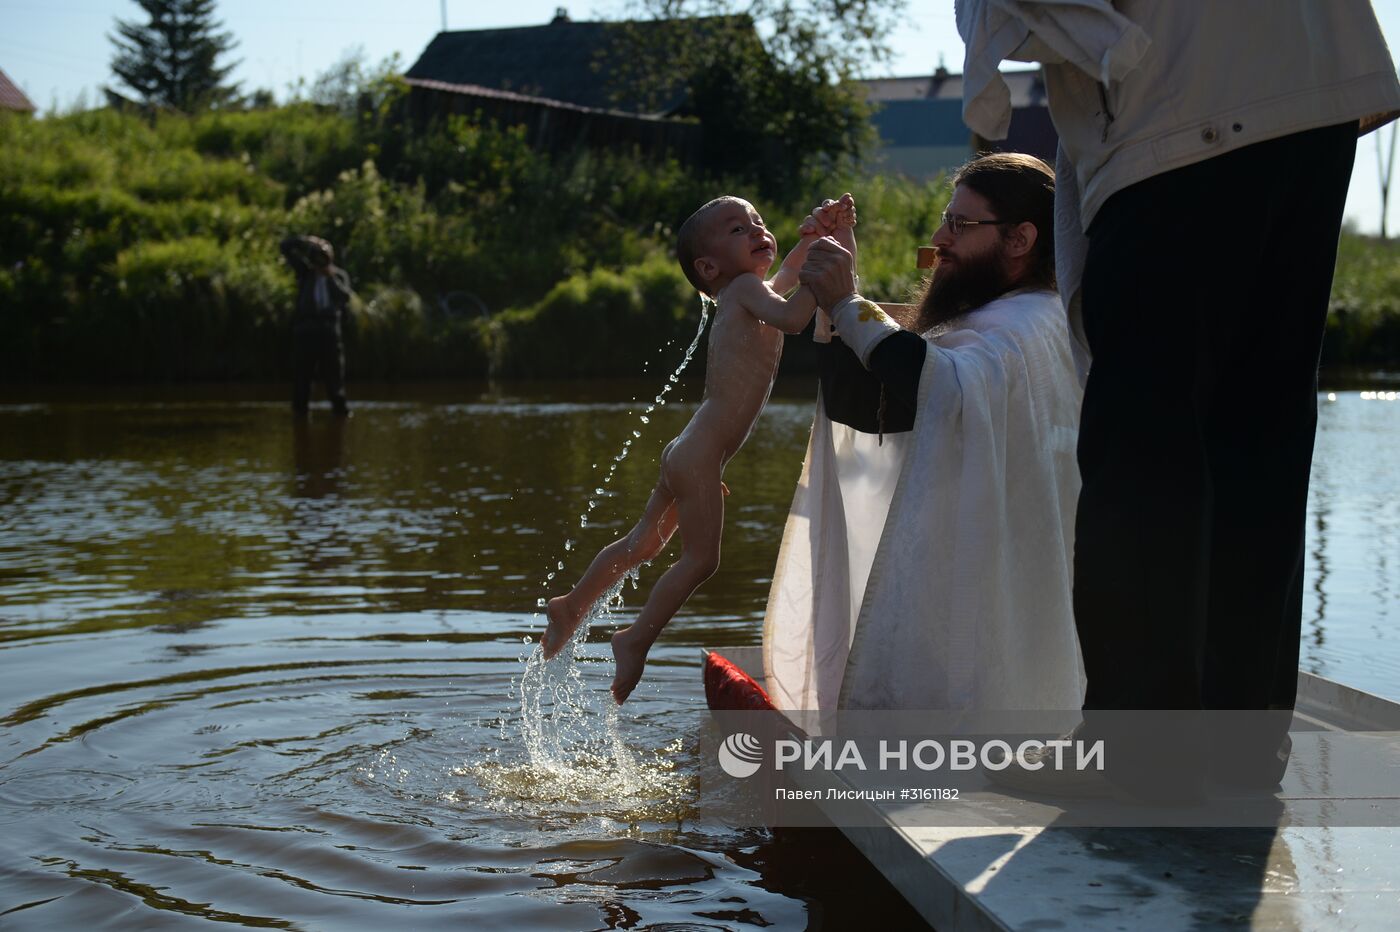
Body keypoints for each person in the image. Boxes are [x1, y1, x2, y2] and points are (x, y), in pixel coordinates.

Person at [954, 0, 1400, 796]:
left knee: (1145, 437)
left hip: (1180, 105)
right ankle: (1241, 744)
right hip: (1317, 86)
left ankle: (1139, 752)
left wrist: (1112, 47)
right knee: (1260, 431)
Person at [764, 153, 1086, 714]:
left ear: (1020, 239)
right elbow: (870, 408)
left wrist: (845, 300)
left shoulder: (1019, 328)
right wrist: (843, 291)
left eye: (961, 225)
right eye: (945, 218)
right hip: (997, 581)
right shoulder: (1018, 320)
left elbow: (938, 388)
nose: (940, 237)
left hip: (985, 594)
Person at [542, 194, 857, 704]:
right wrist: (826, 276)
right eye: (737, 229)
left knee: (643, 542)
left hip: (690, 451)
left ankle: (572, 604)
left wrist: (818, 239)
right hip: (698, 455)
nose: (757, 230)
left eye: (758, 221)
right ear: (709, 266)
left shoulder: (748, 292)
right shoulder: (748, 291)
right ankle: (634, 639)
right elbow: (797, 316)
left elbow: (787, 283)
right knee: (700, 560)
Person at [281, 235, 352, 417]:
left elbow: (344, 298)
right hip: (306, 332)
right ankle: (300, 415)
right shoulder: (305, 273)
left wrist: (330, 277)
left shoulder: (339, 276)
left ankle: (340, 414)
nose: (320, 260)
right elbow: (285, 246)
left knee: (334, 379)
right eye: (318, 255)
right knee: (302, 379)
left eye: (324, 255)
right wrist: (307, 241)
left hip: (329, 333)